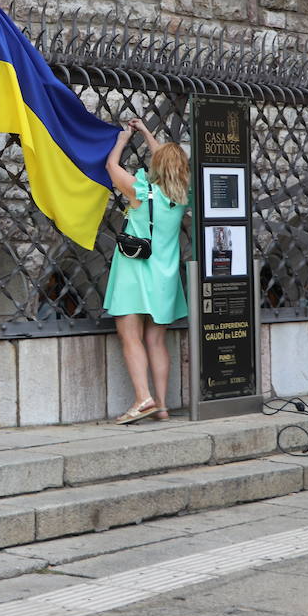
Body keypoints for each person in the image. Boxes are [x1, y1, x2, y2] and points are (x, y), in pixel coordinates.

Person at [103, 118, 190, 425]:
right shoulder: (181, 196)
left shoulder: (140, 189)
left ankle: (143, 399)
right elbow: (166, 162)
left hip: (135, 271)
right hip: (164, 277)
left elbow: (111, 167)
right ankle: (162, 406)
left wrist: (123, 140)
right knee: (156, 340)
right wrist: (148, 134)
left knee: (130, 335)